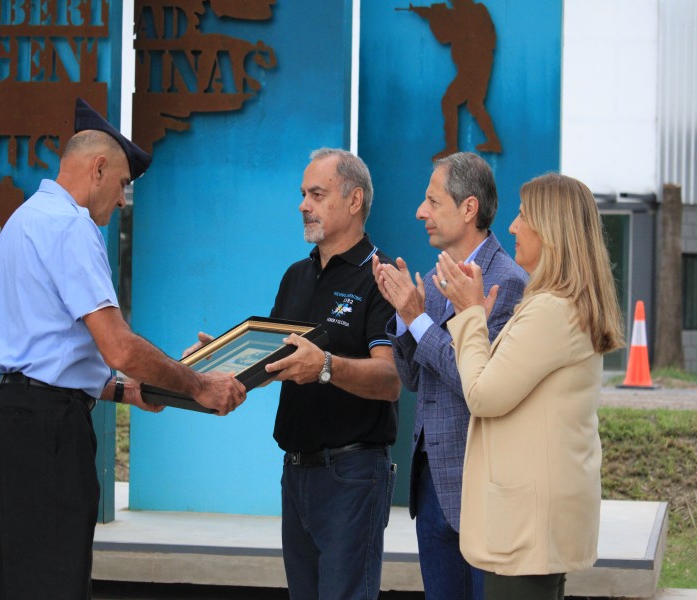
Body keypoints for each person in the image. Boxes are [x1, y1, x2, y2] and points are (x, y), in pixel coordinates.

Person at [0, 98, 246, 600]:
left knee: (21, 577)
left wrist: (129, 393)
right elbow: (118, 346)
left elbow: (52, 352)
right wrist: (200, 384)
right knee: (56, 579)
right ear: (98, 168)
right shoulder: (71, 226)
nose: (123, 200)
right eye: (123, 184)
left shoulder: (22, 220)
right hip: (49, 427)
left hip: (12, 417)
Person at [186, 148, 401, 599]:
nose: (303, 204)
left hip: (353, 473)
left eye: (317, 194)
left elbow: (390, 379)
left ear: (355, 199)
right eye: (303, 194)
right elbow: (273, 361)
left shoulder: (381, 278)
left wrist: (325, 367)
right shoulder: (295, 276)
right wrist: (219, 362)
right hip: (296, 473)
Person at [434, 173, 625, 600]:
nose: (514, 227)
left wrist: (468, 316)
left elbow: (483, 395)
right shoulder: (561, 305)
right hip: (536, 524)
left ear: (552, 230)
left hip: (526, 528)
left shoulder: (553, 311)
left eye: (523, 215)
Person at [372, 151, 527, 600]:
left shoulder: (506, 280)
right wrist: (404, 320)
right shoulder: (440, 276)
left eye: (432, 201)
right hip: (431, 482)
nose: (421, 212)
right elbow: (418, 379)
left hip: (477, 487)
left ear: (468, 208)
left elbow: (477, 383)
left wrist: (418, 320)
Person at [403, 0, 502, 159]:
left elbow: (444, 37)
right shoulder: (471, 12)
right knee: (474, 105)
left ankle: (451, 147)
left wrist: (435, 18)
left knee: (449, 102)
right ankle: (493, 141)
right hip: (480, 67)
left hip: (473, 69)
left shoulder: (465, 14)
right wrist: (434, 15)